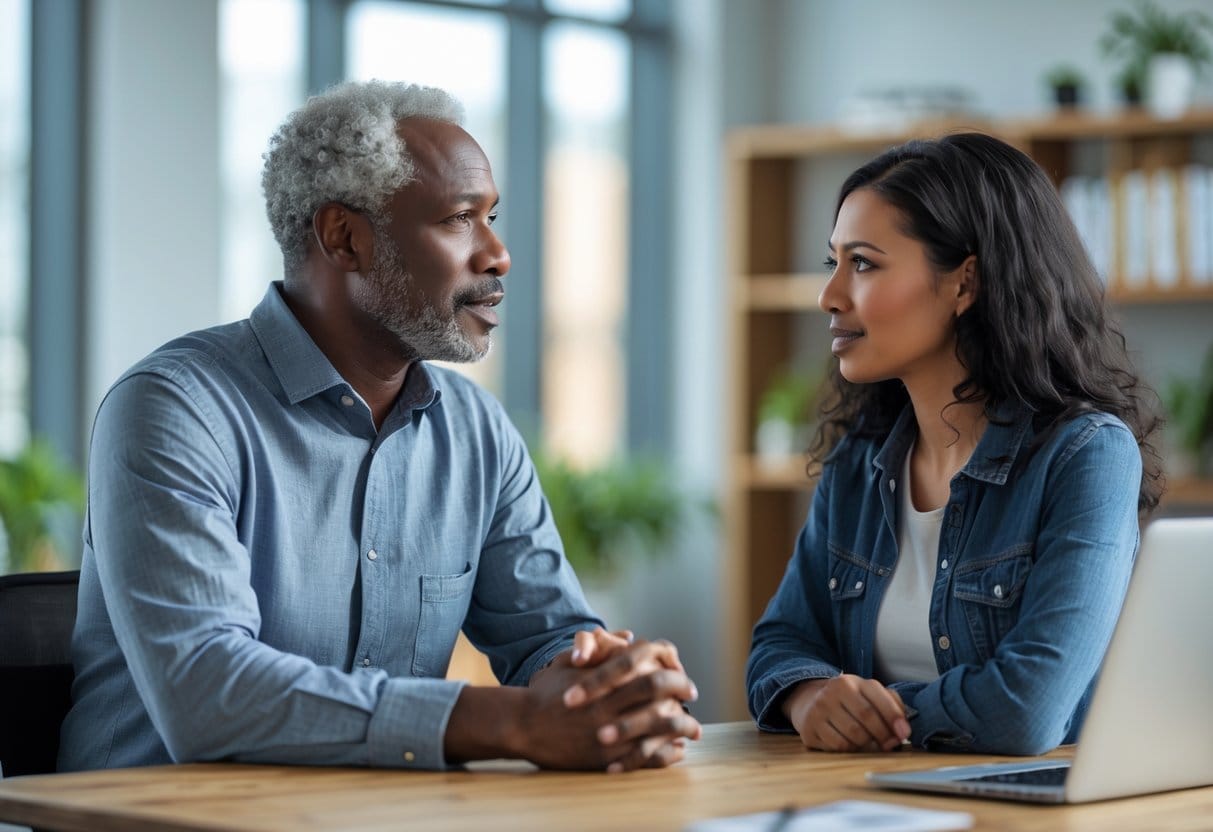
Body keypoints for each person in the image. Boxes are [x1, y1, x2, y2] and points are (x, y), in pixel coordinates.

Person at [58, 80, 701, 773]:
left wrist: (604, 684)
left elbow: (548, 636)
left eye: (491, 216)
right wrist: (509, 721)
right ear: (345, 239)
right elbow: (209, 695)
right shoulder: (175, 409)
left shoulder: (475, 429)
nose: (497, 254)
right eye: (459, 219)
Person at [746, 132, 1164, 757]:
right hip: (872, 802)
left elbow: (1027, 710)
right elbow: (779, 645)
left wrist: (874, 711)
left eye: (863, 263)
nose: (829, 296)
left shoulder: (1086, 456)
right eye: (832, 262)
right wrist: (809, 698)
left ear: (965, 283)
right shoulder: (858, 464)